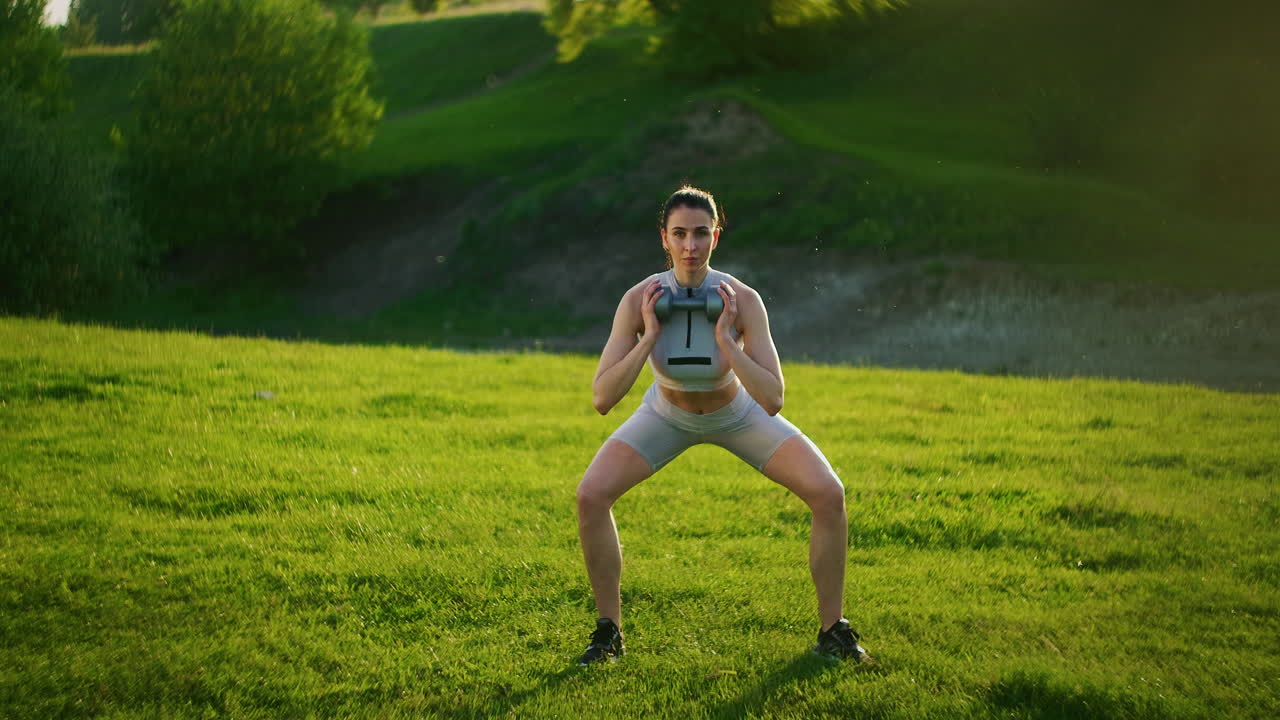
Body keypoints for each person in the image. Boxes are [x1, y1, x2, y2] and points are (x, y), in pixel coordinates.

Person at [574, 185, 870, 666]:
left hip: (736, 415)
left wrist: (728, 341)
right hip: (665, 415)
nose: (691, 246)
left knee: (828, 494)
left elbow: (772, 399)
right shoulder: (638, 299)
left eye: (701, 234)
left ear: (717, 235)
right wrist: (648, 335)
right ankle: (609, 633)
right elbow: (603, 398)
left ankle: (832, 629)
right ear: (664, 239)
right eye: (680, 234)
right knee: (591, 495)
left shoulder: (743, 299)